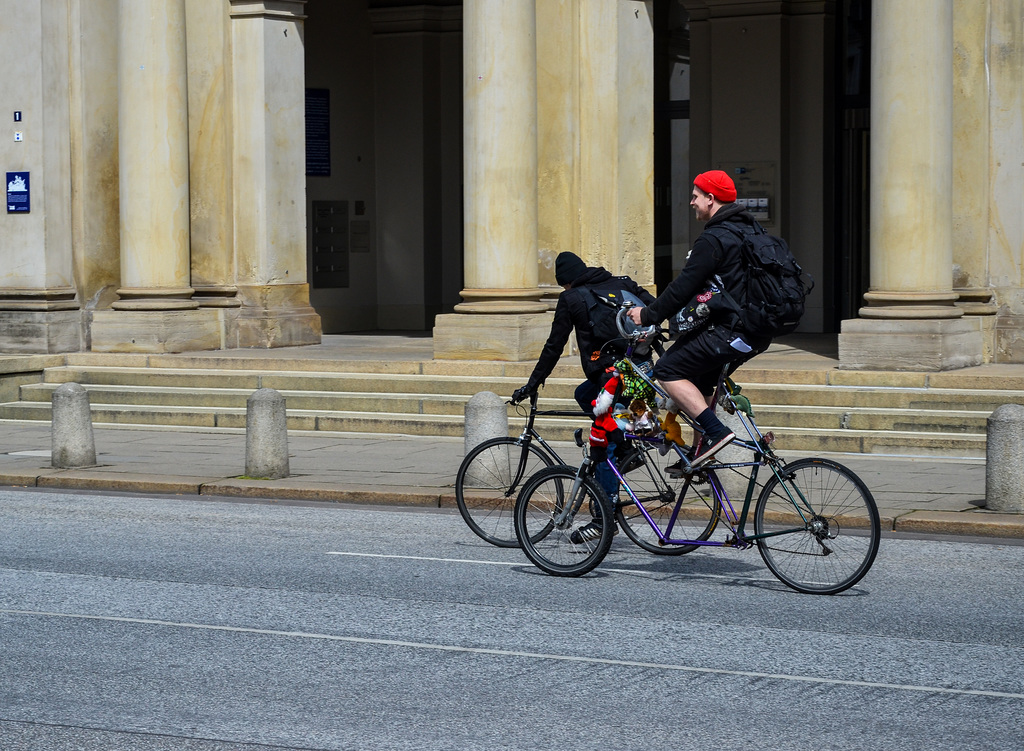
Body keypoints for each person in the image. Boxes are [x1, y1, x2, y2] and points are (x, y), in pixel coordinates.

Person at [627, 169, 772, 469]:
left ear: (711, 198)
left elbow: (683, 287)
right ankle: (701, 451)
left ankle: (716, 434)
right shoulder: (751, 231)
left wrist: (648, 314)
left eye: (695, 196)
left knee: (667, 369)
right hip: (757, 331)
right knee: (702, 375)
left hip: (732, 329)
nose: (691, 202)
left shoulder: (715, 238)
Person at [512, 252, 656, 539]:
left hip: (615, 379)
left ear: (565, 282)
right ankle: (628, 448)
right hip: (643, 371)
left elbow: (554, 345)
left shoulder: (572, 297)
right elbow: (656, 309)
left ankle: (603, 520)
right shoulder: (621, 283)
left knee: (602, 445)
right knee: (583, 393)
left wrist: (532, 383)